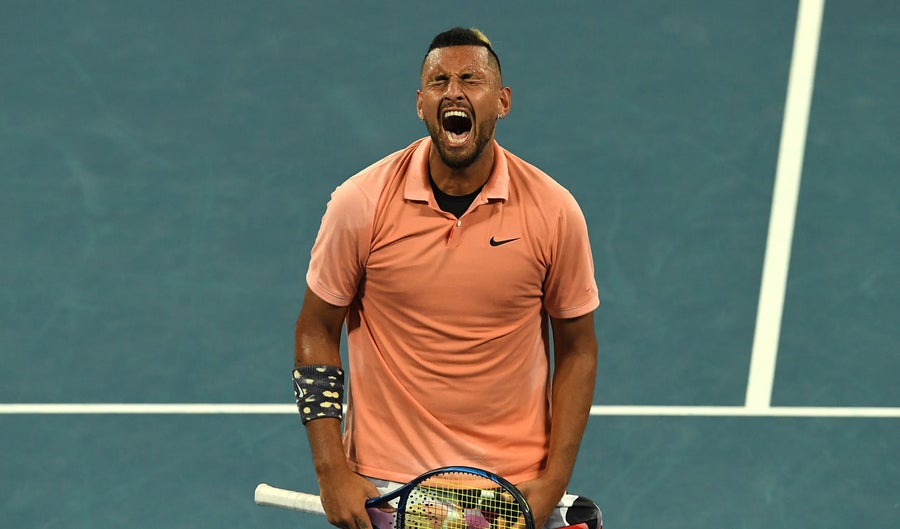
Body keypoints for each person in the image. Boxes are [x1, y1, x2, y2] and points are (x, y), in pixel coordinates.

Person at [293, 27, 602, 529]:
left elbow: (578, 349)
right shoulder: (360, 204)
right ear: (421, 103)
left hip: (510, 490)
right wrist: (332, 472)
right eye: (439, 81)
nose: (454, 92)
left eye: (470, 80)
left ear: (502, 101)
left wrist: (553, 481)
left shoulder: (554, 212)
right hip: (390, 487)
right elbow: (315, 329)